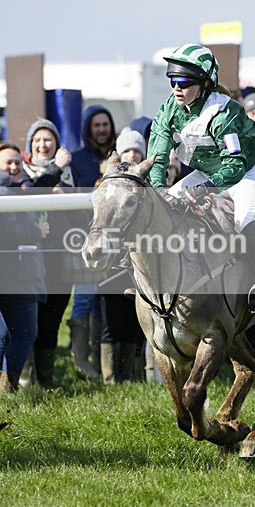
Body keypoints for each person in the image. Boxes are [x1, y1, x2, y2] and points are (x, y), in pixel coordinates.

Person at [146, 43, 255, 316]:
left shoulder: (224, 113)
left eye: (183, 82)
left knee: (246, 220)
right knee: (163, 208)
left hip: (246, 173)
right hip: (206, 172)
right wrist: (159, 190)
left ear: (205, 83)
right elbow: (157, 157)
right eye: (172, 80)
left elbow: (235, 164)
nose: (176, 88)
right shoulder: (169, 109)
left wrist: (205, 189)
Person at [19, 118, 85, 385]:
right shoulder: (22, 173)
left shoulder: (70, 176)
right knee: (28, 320)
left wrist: (65, 198)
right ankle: (24, 377)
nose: (42, 145)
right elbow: (29, 196)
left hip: (60, 259)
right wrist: (54, 175)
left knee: (52, 319)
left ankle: (45, 379)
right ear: (30, 145)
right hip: (29, 259)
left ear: (57, 144)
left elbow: (82, 217)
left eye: (48, 140)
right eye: (37, 140)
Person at [0, 142, 47, 391]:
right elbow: (7, 232)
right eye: (7, 162)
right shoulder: (4, 192)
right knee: (25, 334)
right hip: (18, 275)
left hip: (3, 273)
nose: (14, 166)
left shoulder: (11, 189)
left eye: (17, 162)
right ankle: (7, 388)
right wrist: (36, 231)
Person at [67, 105, 118, 379]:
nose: (101, 129)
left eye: (105, 124)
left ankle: (101, 363)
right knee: (84, 299)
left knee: (104, 300)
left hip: (114, 240)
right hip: (85, 238)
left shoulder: (118, 158)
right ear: (89, 129)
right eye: (96, 125)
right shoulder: (77, 160)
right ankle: (80, 361)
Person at [98, 128, 148, 383]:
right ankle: (109, 376)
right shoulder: (107, 186)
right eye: (127, 150)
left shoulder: (146, 187)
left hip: (139, 264)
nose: (132, 155)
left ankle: (130, 374)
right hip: (113, 263)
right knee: (111, 323)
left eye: (136, 151)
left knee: (134, 323)